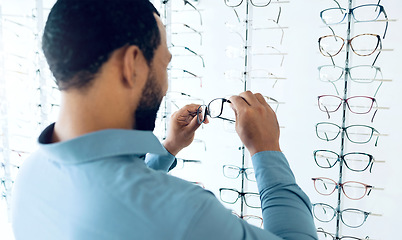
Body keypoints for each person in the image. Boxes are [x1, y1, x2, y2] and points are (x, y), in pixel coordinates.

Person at [11, 0, 318, 239]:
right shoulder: (186, 212)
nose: (165, 80)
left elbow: (114, 200)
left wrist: (168, 148)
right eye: (164, 64)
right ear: (132, 64)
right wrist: (267, 149)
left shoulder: (30, 175)